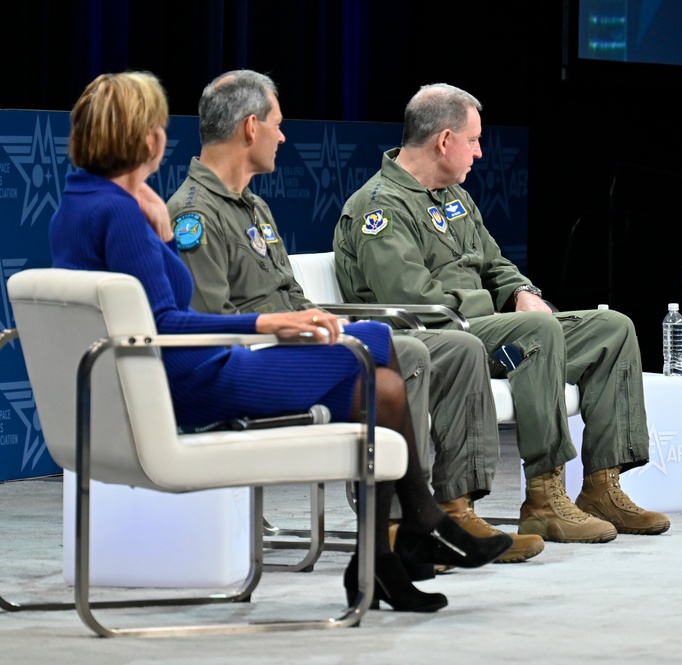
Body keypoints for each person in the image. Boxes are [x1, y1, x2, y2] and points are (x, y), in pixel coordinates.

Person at [48, 71, 513, 613]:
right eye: (157, 125)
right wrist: (266, 326)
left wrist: (153, 219)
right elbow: (167, 326)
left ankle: (386, 557)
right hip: (197, 378)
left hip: (171, 374)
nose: (164, 135)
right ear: (144, 137)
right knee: (378, 341)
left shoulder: (83, 205)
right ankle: (418, 525)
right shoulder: (123, 214)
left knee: (384, 389)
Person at [166, 70, 542, 564]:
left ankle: (446, 510)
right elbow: (206, 327)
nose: (283, 136)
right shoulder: (194, 216)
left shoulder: (252, 207)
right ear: (251, 128)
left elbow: (289, 294)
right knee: (396, 346)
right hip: (251, 366)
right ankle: (401, 522)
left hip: (290, 349)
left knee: (453, 346)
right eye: (277, 124)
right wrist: (292, 328)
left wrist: (313, 318)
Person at [334, 83, 670, 542]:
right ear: (444, 140)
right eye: (472, 140)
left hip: (494, 337)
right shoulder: (380, 208)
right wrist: (500, 307)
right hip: (438, 341)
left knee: (611, 329)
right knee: (535, 334)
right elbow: (415, 302)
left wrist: (521, 291)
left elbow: (495, 263)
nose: (479, 152)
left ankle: (601, 488)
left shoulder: (455, 196)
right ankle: (544, 497)